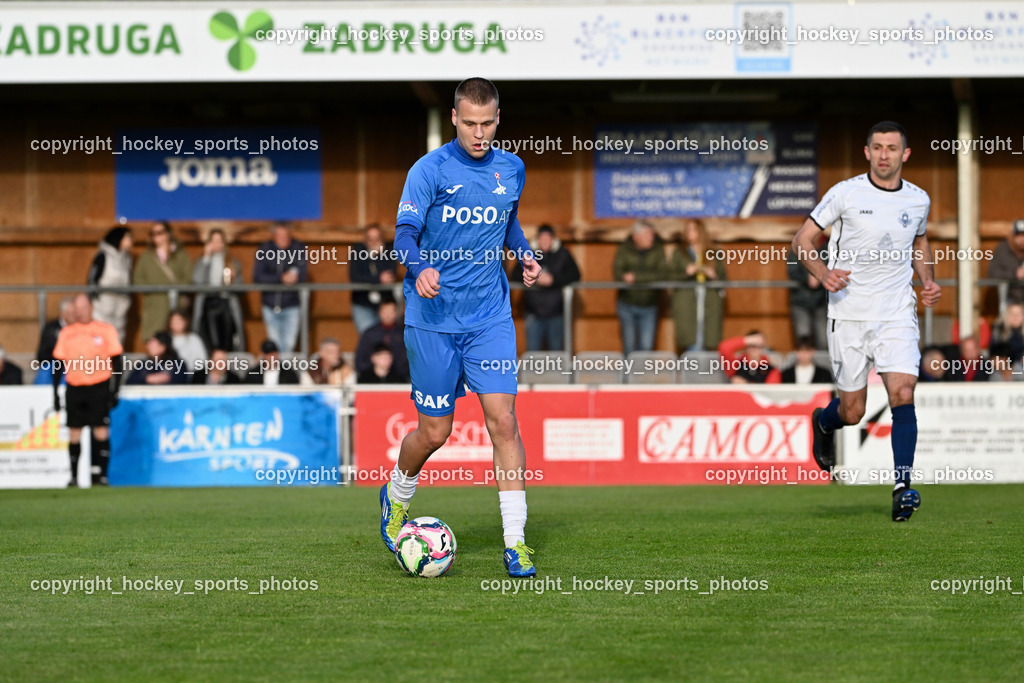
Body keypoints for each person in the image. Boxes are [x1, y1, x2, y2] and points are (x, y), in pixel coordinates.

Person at [382, 77, 541, 578]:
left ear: (498, 119)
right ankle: (396, 493)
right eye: (469, 123)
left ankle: (515, 543)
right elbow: (403, 234)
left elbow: (508, 220)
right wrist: (418, 267)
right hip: (432, 320)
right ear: (454, 118)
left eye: (487, 123)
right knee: (436, 432)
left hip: (489, 316)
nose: (479, 133)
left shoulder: (511, 167)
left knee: (504, 422)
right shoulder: (428, 171)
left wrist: (524, 253)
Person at [794, 121, 941, 522]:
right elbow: (801, 240)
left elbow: (919, 242)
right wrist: (823, 274)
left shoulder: (918, 200)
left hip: (896, 313)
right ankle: (824, 424)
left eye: (892, 148)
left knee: (903, 394)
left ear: (905, 154)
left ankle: (902, 488)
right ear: (866, 152)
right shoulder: (845, 193)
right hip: (849, 313)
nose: (884, 155)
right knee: (852, 412)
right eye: (877, 147)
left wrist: (927, 280)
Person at [52, 293, 124, 486]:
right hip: (75, 387)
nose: (79, 311)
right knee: (74, 431)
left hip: (98, 386)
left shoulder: (105, 330)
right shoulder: (67, 333)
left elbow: (118, 360)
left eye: (82, 307)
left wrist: (114, 390)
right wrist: (55, 394)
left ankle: (101, 475)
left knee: (100, 430)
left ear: (91, 308)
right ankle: (74, 476)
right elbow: (58, 364)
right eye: (76, 307)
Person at [510, 224, 580, 351]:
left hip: (556, 312)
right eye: (542, 238)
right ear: (538, 239)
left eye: (548, 238)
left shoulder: (563, 253)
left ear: (553, 240)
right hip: (533, 312)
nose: (545, 241)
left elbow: (575, 274)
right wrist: (534, 278)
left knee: (556, 351)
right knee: (533, 352)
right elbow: (515, 274)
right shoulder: (528, 254)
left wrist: (553, 280)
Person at [668, 219, 726, 352]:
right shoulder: (680, 253)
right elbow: (670, 277)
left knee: (708, 335)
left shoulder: (713, 252)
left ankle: (704, 370)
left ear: (701, 232)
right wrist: (685, 273)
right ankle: (694, 370)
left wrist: (714, 275)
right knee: (692, 337)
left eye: (693, 230)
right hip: (687, 299)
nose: (689, 233)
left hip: (709, 297)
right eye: (687, 230)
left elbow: (724, 278)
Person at [613, 220, 667, 355]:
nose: (650, 238)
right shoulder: (624, 249)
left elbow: (662, 274)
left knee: (646, 346)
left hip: (649, 304)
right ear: (635, 236)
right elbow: (618, 272)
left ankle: (643, 375)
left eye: (651, 235)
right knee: (629, 345)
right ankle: (628, 375)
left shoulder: (658, 249)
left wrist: (637, 278)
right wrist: (625, 278)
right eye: (646, 235)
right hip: (627, 303)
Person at [252, 222, 308, 352]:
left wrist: (293, 277)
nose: (283, 239)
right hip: (270, 305)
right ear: (273, 236)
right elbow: (258, 277)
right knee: (274, 346)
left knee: (289, 345)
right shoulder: (264, 249)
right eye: (279, 235)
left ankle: (285, 372)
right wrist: (280, 279)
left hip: (291, 305)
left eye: (286, 235)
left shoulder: (298, 248)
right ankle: (278, 371)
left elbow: (303, 274)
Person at [133, 221, 191, 342]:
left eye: (160, 232)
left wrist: (174, 287)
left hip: (176, 304)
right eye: (153, 233)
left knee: (177, 341)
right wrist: (154, 288)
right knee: (155, 340)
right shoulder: (146, 257)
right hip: (155, 304)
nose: (157, 236)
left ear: (168, 234)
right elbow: (138, 280)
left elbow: (188, 278)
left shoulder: (180, 255)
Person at [192, 227, 246, 352]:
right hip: (208, 302)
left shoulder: (232, 262)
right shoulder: (201, 261)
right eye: (213, 241)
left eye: (219, 241)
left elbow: (241, 287)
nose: (216, 244)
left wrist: (234, 279)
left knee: (226, 338)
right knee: (210, 339)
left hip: (226, 302)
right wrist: (206, 258)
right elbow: (197, 281)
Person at [349, 225, 398, 335]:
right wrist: (378, 278)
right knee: (369, 338)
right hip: (363, 303)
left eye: (377, 239)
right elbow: (355, 277)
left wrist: (378, 256)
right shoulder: (358, 251)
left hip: (385, 303)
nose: (374, 242)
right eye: (371, 239)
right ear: (365, 241)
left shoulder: (389, 251)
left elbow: (389, 276)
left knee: (387, 338)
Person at [87, 226, 134, 342]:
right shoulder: (103, 256)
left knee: (118, 339)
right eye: (128, 237)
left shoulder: (127, 259)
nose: (132, 241)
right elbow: (92, 279)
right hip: (103, 307)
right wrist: (95, 300)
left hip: (120, 307)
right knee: (101, 338)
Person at [787, 230, 829, 351]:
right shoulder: (796, 247)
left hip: (821, 301)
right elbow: (791, 270)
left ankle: (824, 369)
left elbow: (835, 265)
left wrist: (821, 275)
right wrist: (807, 278)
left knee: (824, 341)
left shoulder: (828, 246)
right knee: (802, 338)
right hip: (800, 300)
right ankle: (804, 367)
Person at [354, 300, 409, 381]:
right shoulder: (370, 334)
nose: (388, 315)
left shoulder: (403, 334)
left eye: (391, 312)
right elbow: (360, 360)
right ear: (379, 313)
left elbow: (410, 358)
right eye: (385, 311)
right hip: (370, 379)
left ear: (396, 313)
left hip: (399, 379)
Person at [34, 297, 75, 384]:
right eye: (72, 313)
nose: (75, 316)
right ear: (63, 313)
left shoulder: (81, 328)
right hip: (55, 365)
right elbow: (42, 354)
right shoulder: (50, 329)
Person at [986, 219, 1024, 304]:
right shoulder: (1003, 249)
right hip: (1010, 299)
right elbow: (992, 273)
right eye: (1019, 235)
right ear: (1013, 236)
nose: (1022, 239)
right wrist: (1015, 274)